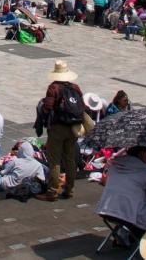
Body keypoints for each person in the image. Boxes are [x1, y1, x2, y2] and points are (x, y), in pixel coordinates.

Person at [95, 145, 146, 232]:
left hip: (106, 210)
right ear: (142, 154)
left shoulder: (114, 164)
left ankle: (124, 234)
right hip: (127, 215)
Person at [36, 61, 83, 201]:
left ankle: (52, 192)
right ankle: (69, 189)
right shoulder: (75, 87)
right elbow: (82, 106)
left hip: (58, 128)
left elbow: (47, 107)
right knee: (70, 159)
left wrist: (43, 116)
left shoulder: (54, 88)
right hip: (73, 128)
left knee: (54, 160)